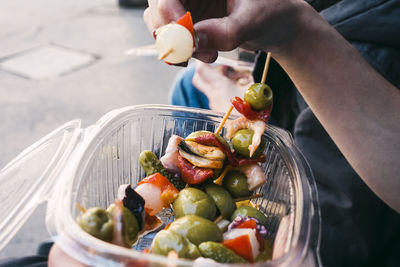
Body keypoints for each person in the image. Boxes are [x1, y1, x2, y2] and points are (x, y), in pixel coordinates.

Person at [144, 0, 400, 266]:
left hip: (336, 227)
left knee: (192, 90)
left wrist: (237, 112)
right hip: (294, 113)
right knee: (190, 83)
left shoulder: (372, 55)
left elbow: (323, 214)